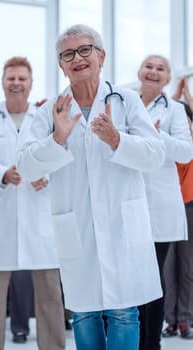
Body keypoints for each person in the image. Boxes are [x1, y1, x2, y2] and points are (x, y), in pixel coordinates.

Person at [17, 24, 166, 350]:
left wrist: (117, 139)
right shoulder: (49, 110)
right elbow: (25, 166)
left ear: (101, 55)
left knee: (125, 312)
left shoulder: (126, 101)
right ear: (61, 64)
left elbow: (156, 156)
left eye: (85, 49)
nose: (78, 58)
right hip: (76, 225)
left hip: (121, 225)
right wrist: (57, 138)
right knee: (84, 313)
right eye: (68, 54)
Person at [0, 56, 66, 350]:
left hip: (39, 215)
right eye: (11, 78)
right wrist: (1, 174)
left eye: (22, 78)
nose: (16, 83)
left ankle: (53, 346)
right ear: (3, 82)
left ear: (30, 83)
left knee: (49, 289)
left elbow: (62, 155)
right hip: (3, 212)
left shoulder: (44, 119)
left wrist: (45, 176)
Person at [137, 55, 193, 350]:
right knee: (130, 278)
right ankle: (131, 339)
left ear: (168, 78)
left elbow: (185, 152)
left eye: (161, 68)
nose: (154, 71)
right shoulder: (122, 104)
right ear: (139, 72)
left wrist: (158, 135)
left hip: (159, 208)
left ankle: (151, 343)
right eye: (149, 66)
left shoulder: (174, 110)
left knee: (152, 277)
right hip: (128, 205)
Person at [161, 77, 193, 339]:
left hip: (190, 205)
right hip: (169, 204)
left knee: (187, 267)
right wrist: (175, 96)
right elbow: (162, 115)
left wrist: (185, 96)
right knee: (167, 267)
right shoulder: (169, 138)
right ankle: (169, 320)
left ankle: (185, 320)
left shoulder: (188, 141)